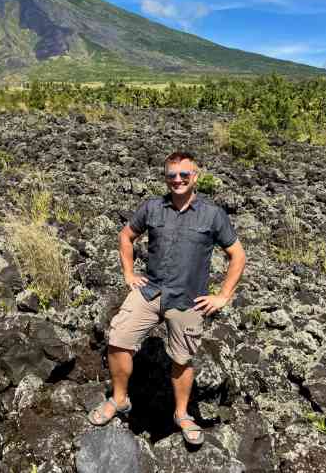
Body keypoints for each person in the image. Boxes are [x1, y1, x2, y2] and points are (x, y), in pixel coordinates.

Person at [87, 151, 246, 446]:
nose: (178, 180)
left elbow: (237, 255)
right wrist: (128, 273)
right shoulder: (152, 208)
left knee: (182, 359)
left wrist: (223, 296)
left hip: (188, 299)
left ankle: (182, 414)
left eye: (184, 175)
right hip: (151, 290)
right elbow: (126, 236)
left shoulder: (212, 215)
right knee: (118, 339)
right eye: (172, 175)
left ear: (195, 177)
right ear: (165, 178)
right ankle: (120, 399)